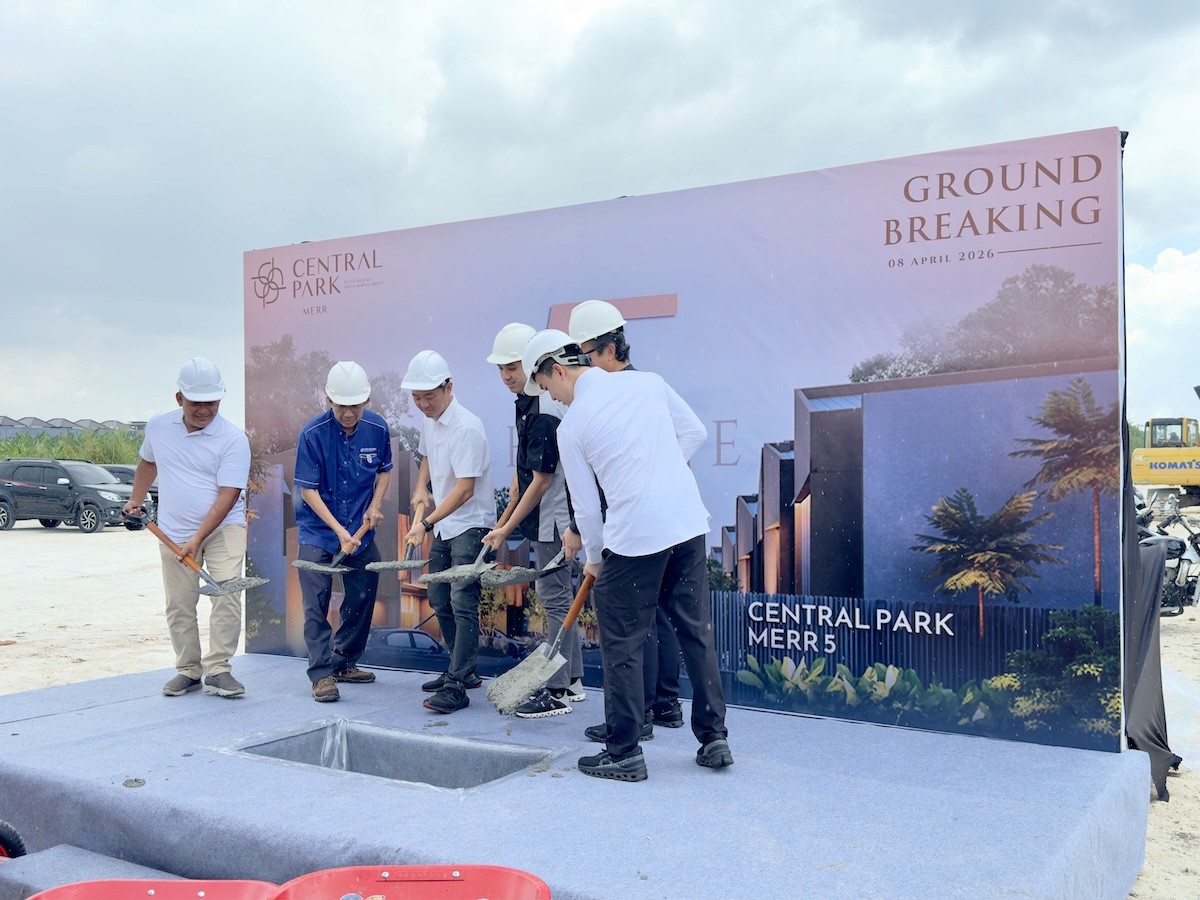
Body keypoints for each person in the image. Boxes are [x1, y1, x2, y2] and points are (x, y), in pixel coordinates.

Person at [522, 329, 733, 782]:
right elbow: (693, 432)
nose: (551, 398)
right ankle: (714, 737)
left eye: (546, 386)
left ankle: (623, 751)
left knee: (623, 641)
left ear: (558, 370)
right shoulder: (649, 383)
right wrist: (660, 471)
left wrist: (594, 558)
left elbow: (585, 508)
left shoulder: (573, 425)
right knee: (696, 631)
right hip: (686, 523)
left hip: (634, 536)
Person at [568, 299, 698, 734]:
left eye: (587, 355)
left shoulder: (630, 390)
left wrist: (659, 474)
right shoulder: (640, 385)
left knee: (633, 623)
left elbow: (690, 435)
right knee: (657, 617)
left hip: (631, 526)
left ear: (606, 351)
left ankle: (638, 718)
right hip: (655, 519)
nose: (583, 366)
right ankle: (662, 707)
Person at [122, 357, 252, 699]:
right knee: (179, 603)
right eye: (197, 402)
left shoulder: (234, 439)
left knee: (227, 594)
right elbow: (148, 462)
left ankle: (219, 669)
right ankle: (189, 670)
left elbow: (228, 496)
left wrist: (197, 538)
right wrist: (135, 499)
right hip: (173, 530)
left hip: (225, 528)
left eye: (212, 402)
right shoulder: (158, 427)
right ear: (179, 398)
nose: (205, 410)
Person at [481, 323, 585, 718]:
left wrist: (506, 529)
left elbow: (542, 481)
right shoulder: (527, 401)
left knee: (555, 597)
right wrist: (508, 501)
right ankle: (572, 680)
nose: (507, 375)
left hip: (555, 521)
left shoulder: (544, 408)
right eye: (501, 368)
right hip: (543, 515)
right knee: (557, 596)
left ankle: (556, 689)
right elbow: (527, 470)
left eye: (513, 366)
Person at [401, 350, 495, 714]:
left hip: (471, 524)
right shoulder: (431, 419)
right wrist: (421, 487)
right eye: (417, 398)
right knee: (438, 596)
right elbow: (426, 456)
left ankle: (457, 684)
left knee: (461, 599)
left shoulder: (467, 427)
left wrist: (424, 523)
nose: (423, 404)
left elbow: (465, 489)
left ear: (449, 387)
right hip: (443, 521)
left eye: (429, 396)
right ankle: (463, 668)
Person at [294, 362, 393, 703]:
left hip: (360, 529)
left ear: (366, 399)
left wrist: (376, 505)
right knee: (315, 601)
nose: (348, 413)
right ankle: (321, 674)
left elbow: (384, 471)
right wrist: (338, 531)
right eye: (341, 406)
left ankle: (344, 660)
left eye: (355, 405)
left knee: (364, 589)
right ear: (328, 400)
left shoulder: (378, 428)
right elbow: (309, 491)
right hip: (318, 531)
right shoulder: (311, 434)